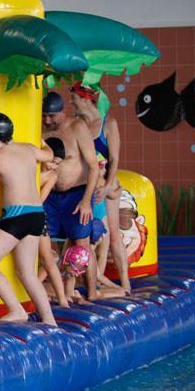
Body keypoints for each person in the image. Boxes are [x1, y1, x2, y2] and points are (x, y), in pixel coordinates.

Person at [0, 113, 57, 326]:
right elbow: (49, 155)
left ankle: (17, 310)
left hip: (16, 215)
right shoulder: (28, 149)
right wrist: (43, 142)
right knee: (27, 273)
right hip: (37, 214)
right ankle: (49, 320)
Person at [69, 82, 131, 292]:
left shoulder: (108, 123)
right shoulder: (77, 124)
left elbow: (114, 158)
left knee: (113, 236)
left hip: (107, 184)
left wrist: (107, 188)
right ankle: (91, 282)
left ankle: (125, 284)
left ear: (85, 99)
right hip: (88, 186)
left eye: (74, 99)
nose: (72, 103)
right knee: (89, 237)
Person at [41, 90, 100, 300]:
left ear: (62, 112)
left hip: (77, 195)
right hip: (50, 195)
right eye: (44, 115)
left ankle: (92, 294)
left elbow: (93, 166)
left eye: (52, 116)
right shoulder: (39, 130)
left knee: (81, 245)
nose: (48, 120)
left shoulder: (77, 128)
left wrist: (86, 201)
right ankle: (61, 294)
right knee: (48, 248)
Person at [38, 136, 69, 308]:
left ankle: (63, 299)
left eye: (57, 163)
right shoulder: (31, 165)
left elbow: (40, 199)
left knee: (48, 259)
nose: (52, 165)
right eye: (52, 161)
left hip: (36, 216)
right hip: (23, 214)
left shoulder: (52, 175)